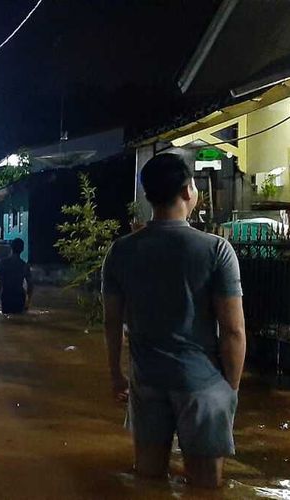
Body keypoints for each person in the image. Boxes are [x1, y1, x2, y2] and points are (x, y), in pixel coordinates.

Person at [102, 153, 245, 489]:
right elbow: (234, 331)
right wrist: (231, 389)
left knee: (148, 479)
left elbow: (111, 323)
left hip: (147, 381)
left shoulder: (120, 252)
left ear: (148, 196)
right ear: (187, 191)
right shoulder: (216, 250)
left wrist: (116, 375)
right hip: (203, 385)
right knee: (206, 487)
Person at [0, 238, 33, 314]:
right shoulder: (24, 265)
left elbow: (0, 283)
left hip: (6, 296)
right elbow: (30, 285)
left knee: (5, 322)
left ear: (11, 247)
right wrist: (28, 301)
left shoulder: (2, 263)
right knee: (19, 321)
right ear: (22, 249)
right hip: (19, 297)